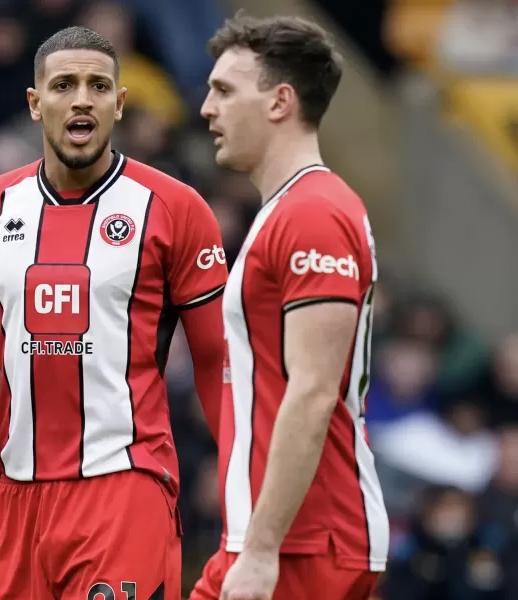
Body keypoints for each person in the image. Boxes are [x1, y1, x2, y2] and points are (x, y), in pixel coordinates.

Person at [0, 26, 229, 600]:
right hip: (19, 498)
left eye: (98, 86)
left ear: (119, 105)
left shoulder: (174, 208)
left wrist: (242, 479)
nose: (81, 98)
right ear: (35, 103)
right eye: (64, 84)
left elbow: (215, 358)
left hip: (124, 487)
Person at [192, 13, 390, 600]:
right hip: (280, 540)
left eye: (224, 90)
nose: (206, 108)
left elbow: (311, 389)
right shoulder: (291, 209)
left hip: (304, 544)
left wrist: (261, 550)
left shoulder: (313, 213)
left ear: (280, 101)